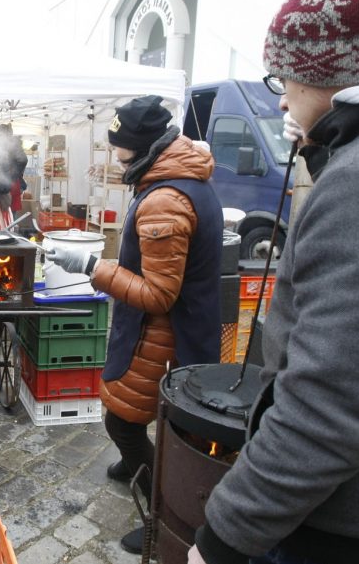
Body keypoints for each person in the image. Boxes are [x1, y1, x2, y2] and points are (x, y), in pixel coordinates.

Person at [191, 0, 359, 563]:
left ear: (338, 73)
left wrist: (221, 537)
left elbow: (327, 413)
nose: (279, 98)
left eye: (285, 77)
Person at [46, 95, 223, 554]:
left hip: (165, 334)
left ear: (143, 147)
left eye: (120, 148)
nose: (117, 156)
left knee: (125, 424)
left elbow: (159, 293)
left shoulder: (165, 198)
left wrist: (91, 264)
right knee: (145, 419)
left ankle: (159, 516)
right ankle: (137, 465)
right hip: (167, 329)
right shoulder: (173, 178)